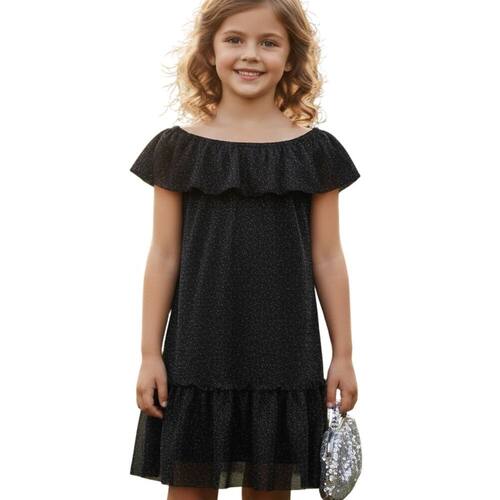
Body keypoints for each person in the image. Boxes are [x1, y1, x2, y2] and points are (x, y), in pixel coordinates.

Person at [128, 1, 361, 499]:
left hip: (284, 358)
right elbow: (164, 255)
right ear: (209, 50)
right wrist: (150, 353)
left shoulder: (315, 153)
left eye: (268, 42)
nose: (250, 54)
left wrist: (343, 354)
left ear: (291, 56)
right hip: (196, 355)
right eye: (234, 39)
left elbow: (328, 257)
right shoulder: (177, 149)